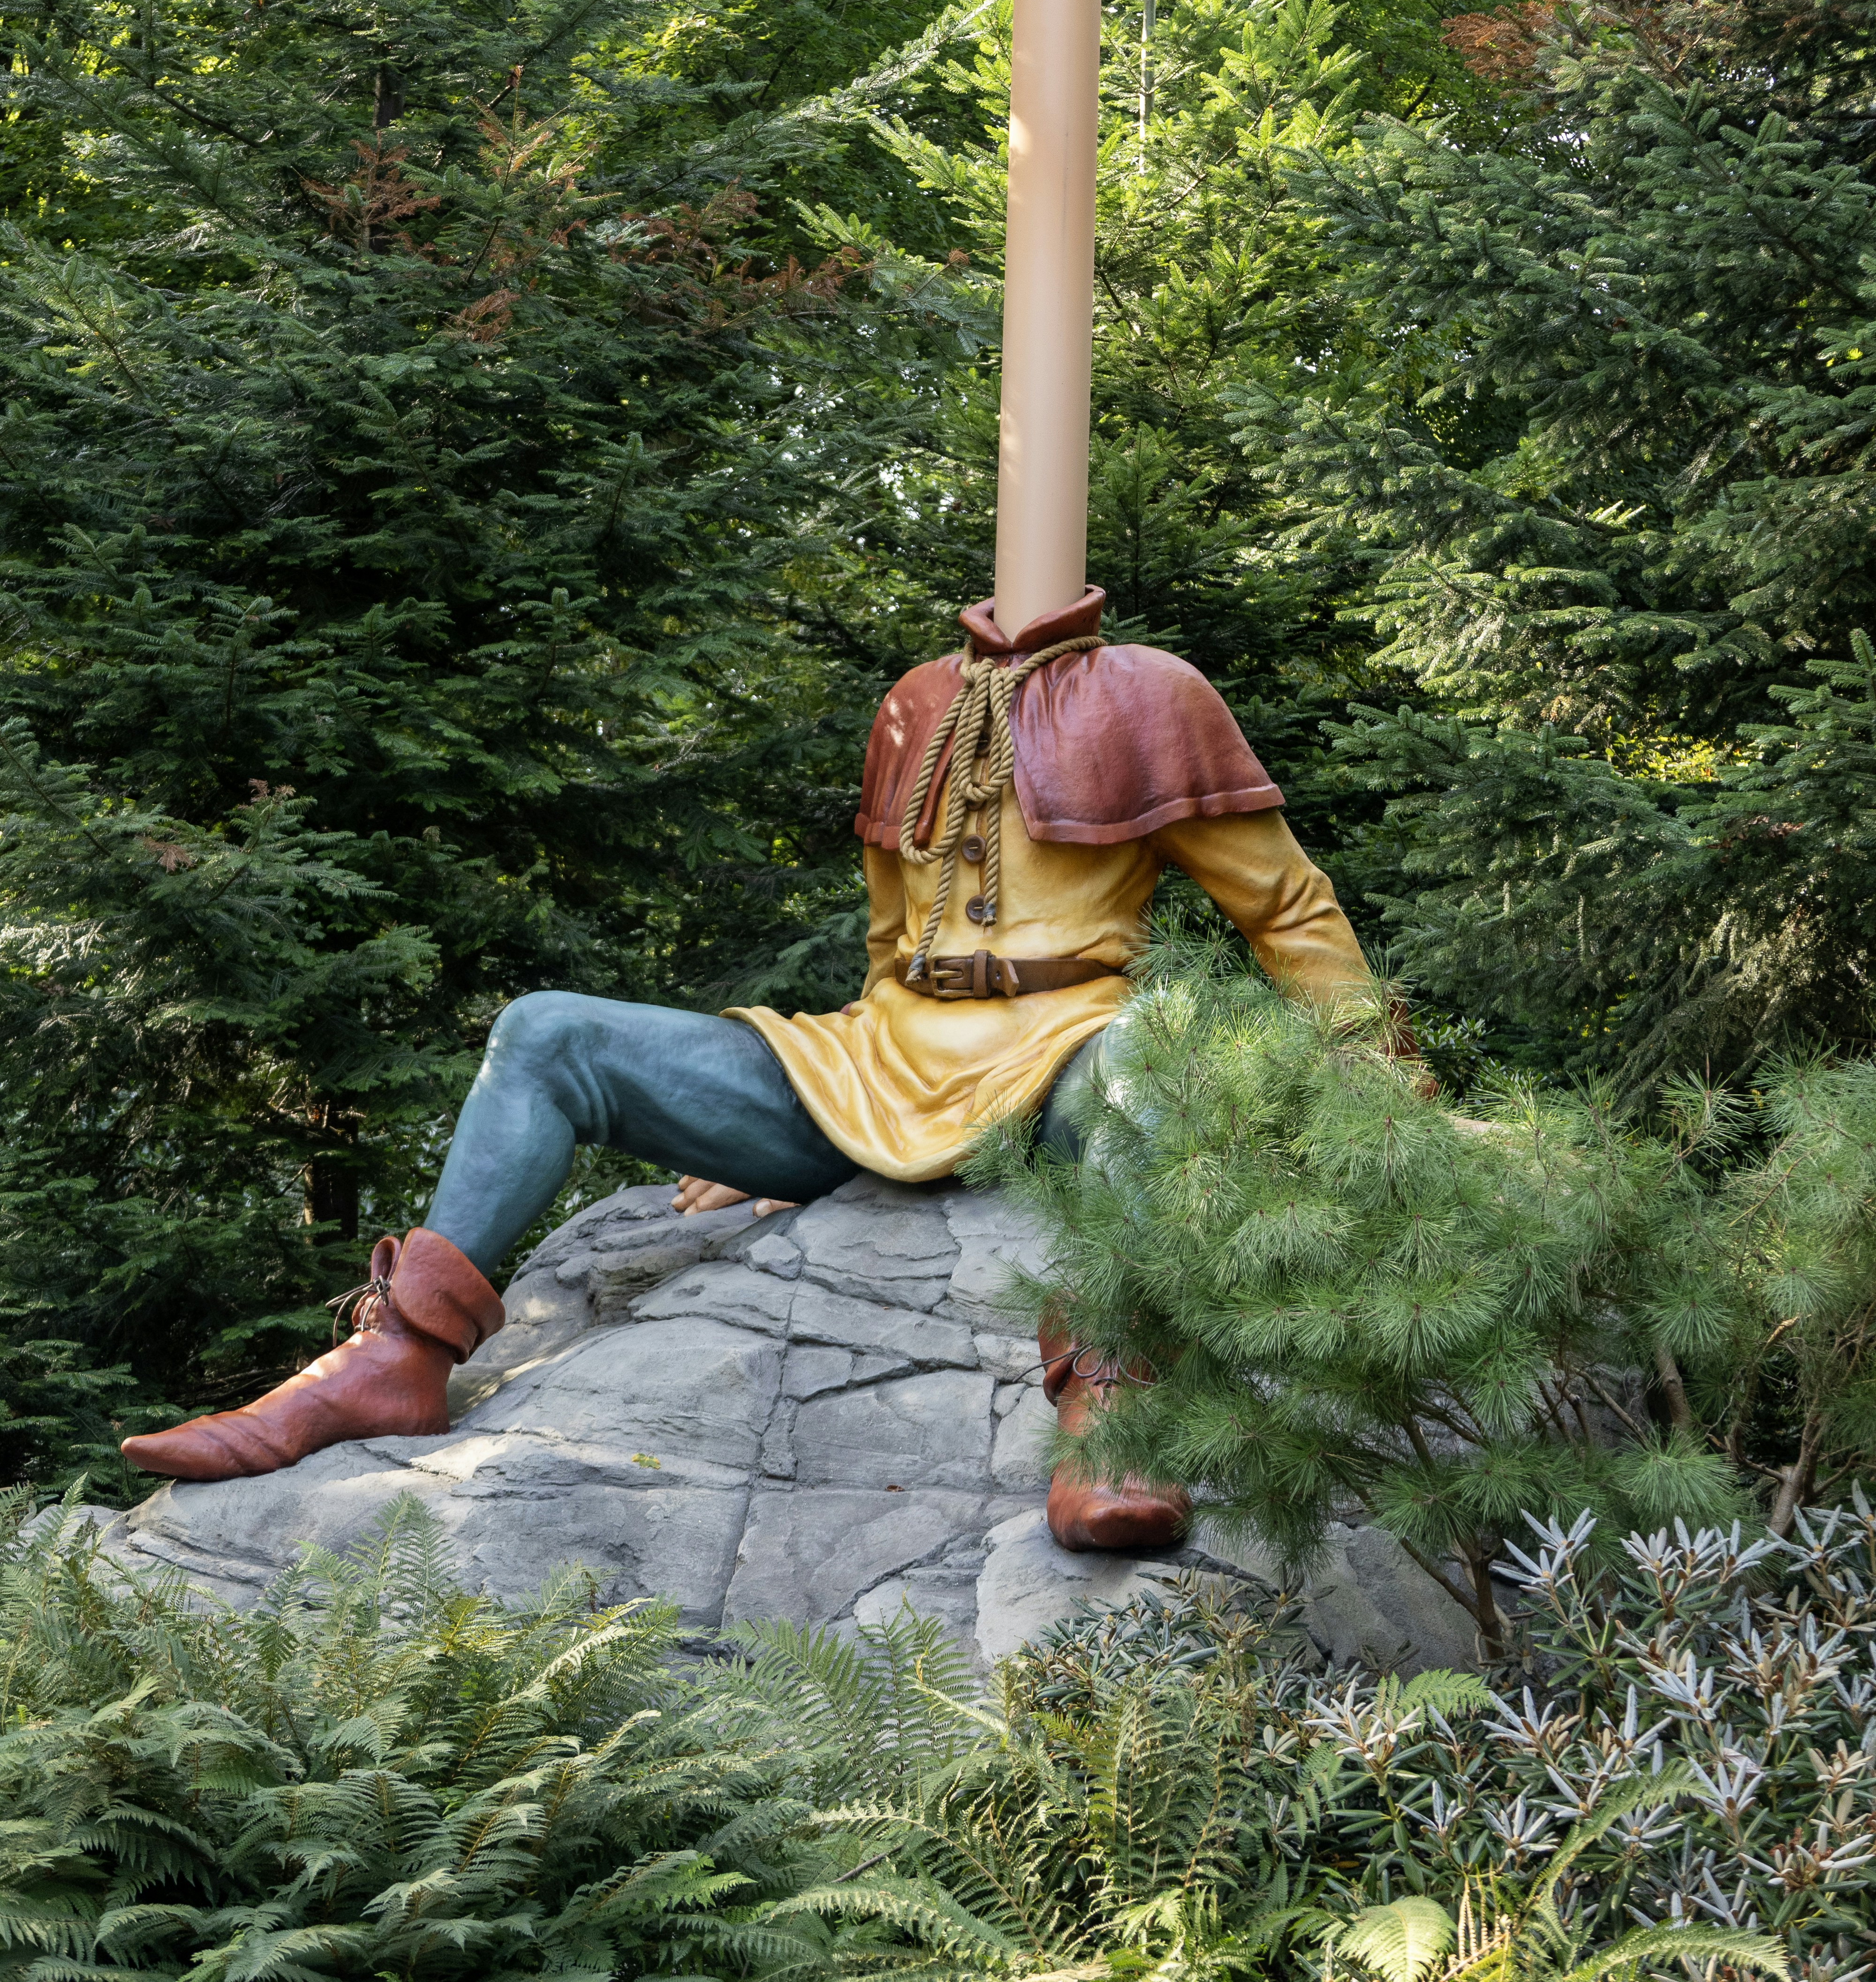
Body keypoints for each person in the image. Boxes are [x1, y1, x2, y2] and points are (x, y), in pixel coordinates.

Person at [122, 590, 1403, 1547]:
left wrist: (1370, 1066)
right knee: (547, 1030)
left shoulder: (1155, 694)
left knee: (1156, 1049)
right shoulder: (916, 699)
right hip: (884, 1057)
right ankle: (397, 1358)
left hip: (1071, 1051)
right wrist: (763, 1146)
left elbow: (1286, 908)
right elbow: (894, 946)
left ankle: (1120, 1402)